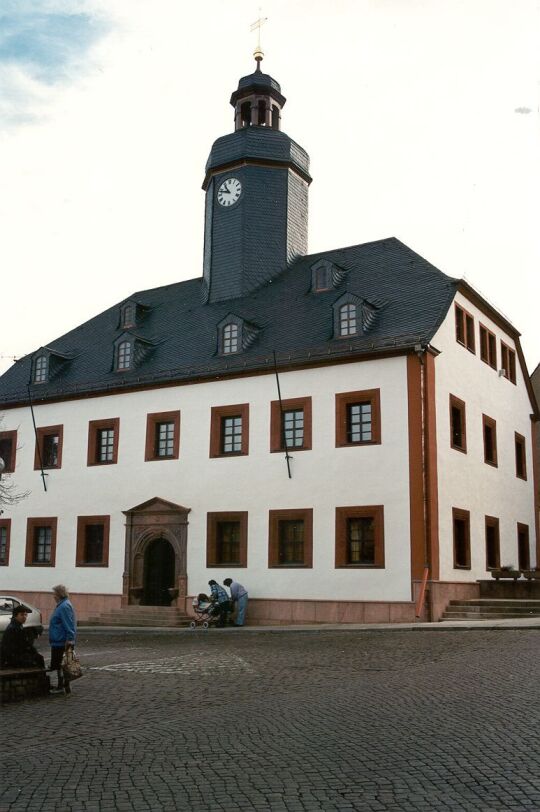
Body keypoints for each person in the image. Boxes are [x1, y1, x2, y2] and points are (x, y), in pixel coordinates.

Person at [49, 584, 77, 695]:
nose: (53, 597)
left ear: (59, 594)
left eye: (54, 594)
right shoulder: (62, 605)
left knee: (61, 665)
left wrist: (69, 639)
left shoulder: (64, 606)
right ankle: (64, 685)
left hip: (61, 642)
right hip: (58, 641)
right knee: (61, 665)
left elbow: (68, 624)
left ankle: (63, 686)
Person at [0, 604, 45, 669]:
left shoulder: (17, 625)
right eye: (21, 614)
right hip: (11, 659)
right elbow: (24, 645)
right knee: (38, 660)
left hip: (13, 656)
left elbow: (25, 645)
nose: (24, 617)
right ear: (15, 616)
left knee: (38, 657)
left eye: (25, 615)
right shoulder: (14, 628)